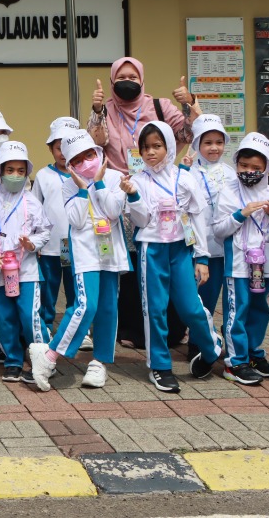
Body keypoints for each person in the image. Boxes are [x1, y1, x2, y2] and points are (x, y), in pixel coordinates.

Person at [86, 58, 199, 351]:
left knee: (164, 259)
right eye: (121, 76)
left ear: (142, 78)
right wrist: (97, 110)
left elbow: (189, 133)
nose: (127, 81)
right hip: (122, 191)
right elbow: (95, 145)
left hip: (161, 189)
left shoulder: (159, 106)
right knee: (131, 264)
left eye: (132, 76)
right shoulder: (106, 109)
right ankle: (132, 327)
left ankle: (175, 328)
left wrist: (189, 103)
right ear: (112, 81)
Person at [126, 120, 223, 393]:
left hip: (181, 249)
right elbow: (141, 219)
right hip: (151, 250)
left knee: (191, 306)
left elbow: (197, 218)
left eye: (157, 146)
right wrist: (133, 197)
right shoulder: (137, 180)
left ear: (169, 146)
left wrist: (202, 258)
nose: (151, 153)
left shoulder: (185, 177)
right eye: (145, 148)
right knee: (154, 309)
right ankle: (160, 365)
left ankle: (210, 346)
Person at [28, 130, 129, 391]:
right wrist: (84, 189)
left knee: (108, 307)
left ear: (98, 153)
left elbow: (114, 211)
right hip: (85, 254)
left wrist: (100, 182)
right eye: (78, 160)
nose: (86, 162)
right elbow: (76, 220)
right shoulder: (69, 185)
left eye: (89, 155)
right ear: (71, 165)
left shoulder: (116, 177)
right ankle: (49, 355)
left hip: (110, 253)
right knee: (86, 304)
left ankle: (99, 362)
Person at [210, 132, 269, 386]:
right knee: (237, 311)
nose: (249, 171)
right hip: (238, 264)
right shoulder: (228, 192)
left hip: (265, 264)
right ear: (236, 163)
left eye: (256, 168)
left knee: (260, 310)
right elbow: (218, 231)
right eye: (244, 165)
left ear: (266, 168)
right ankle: (235, 361)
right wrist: (240, 215)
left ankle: (253, 354)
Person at [0, 142, 51, 383]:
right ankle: (13, 361)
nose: (16, 176)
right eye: (10, 170)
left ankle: (43, 360)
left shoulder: (32, 201)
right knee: (4, 318)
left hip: (26, 270)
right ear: (0, 172)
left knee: (29, 317)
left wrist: (33, 243)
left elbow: (45, 231)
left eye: (21, 171)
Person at [32, 117, 81, 339]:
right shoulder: (43, 175)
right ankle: (46, 325)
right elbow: (35, 209)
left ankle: (77, 327)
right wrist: (36, 241)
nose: (63, 153)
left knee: (75, 287)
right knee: (49, 288)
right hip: (50, 245)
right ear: (51, 149)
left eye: (68, 148)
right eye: (58, 148)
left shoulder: (83, 175)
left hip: (77, 245)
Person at [189, 114, 236, 321]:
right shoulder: (189, 174)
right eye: (207, 143)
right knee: (203, 296)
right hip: (204, 247)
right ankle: (200, 343)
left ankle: (231, 341)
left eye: (219, 142)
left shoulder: (231, 172)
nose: (214, 148)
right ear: (197, 144)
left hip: (230, 246)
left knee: (231, 298)